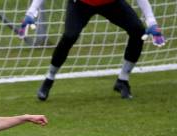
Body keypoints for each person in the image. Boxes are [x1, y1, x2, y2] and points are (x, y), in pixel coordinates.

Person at [18, 0, 165, 100]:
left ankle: (123, 80)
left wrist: (151, 21)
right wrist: (31, 12)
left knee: (138, 31)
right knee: (69, 36)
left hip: (111, 3)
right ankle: (49, 79)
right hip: (81, 4)